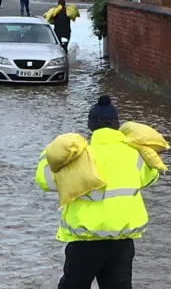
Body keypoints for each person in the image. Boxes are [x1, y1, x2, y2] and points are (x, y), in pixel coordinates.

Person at [35, 95, 160, 289]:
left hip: (85, 241)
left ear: (90, 125)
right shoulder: (135, 154)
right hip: (122, 241)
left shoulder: (79, 156)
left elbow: (46, 182)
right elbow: (150, 178)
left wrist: (48, 154)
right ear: (117, 125)